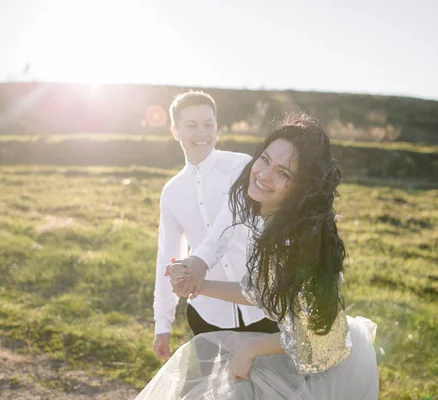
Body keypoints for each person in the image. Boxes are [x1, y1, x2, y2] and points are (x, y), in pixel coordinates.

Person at [136, 114, 379, 399]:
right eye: (264, 160)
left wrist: (251, 349)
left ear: (304, 187)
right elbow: (263, 292)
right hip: (289, 352)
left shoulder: (298, 242)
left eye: (283, 173)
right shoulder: (272, 221)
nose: (263, 174)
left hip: (316, 369)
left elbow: (315, 336)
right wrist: (199, 286)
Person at [152, 91, 278, 361]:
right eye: (192, 125)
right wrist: (162, 324)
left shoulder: (241, 166)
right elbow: (167, 255)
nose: (202, 133)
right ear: (175, 131)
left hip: (262, 306)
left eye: (208, 124)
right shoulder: (172, 192)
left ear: (216, 127)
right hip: (207, 315)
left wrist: (199, 261)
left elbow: (231, 219)